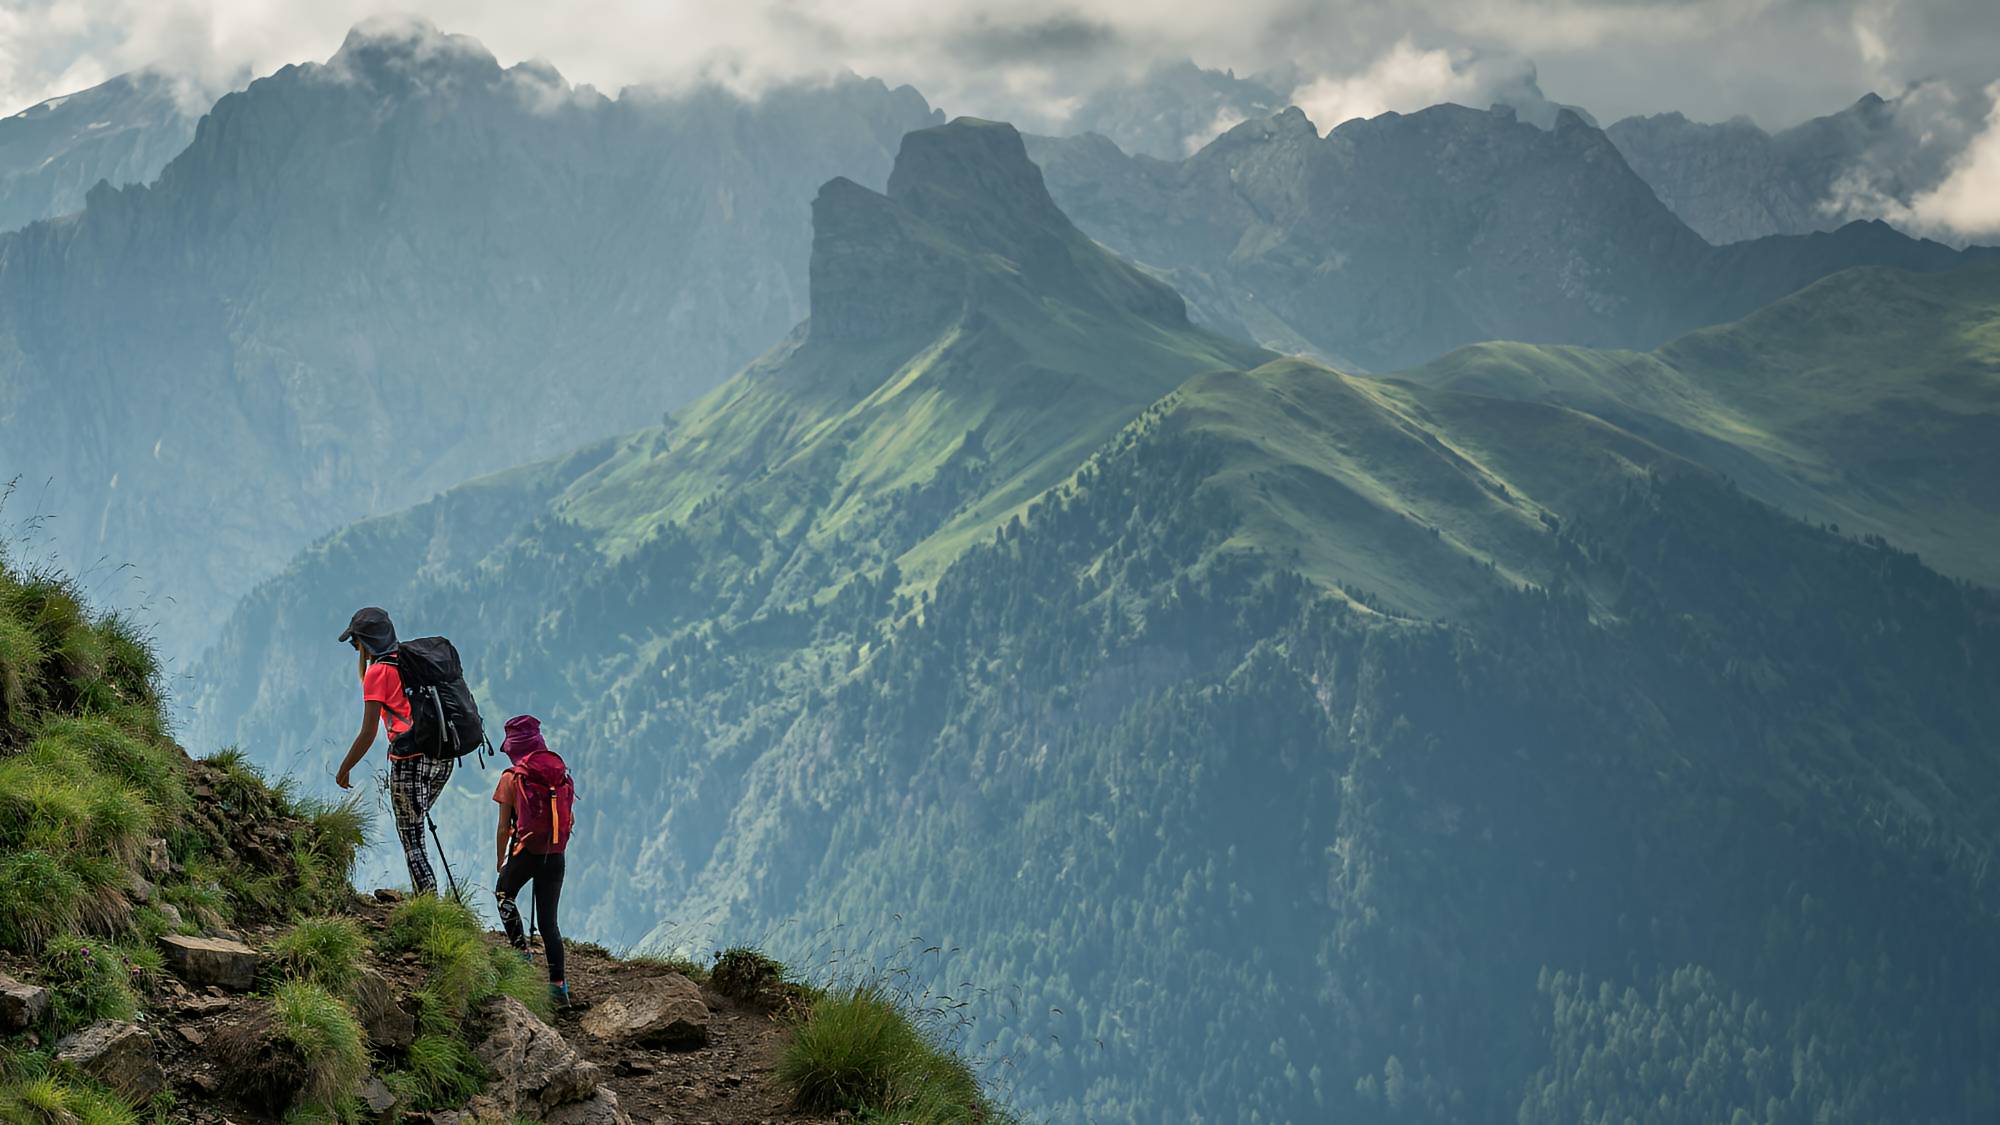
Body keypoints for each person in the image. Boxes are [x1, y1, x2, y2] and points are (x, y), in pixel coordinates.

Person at [333, 606, 454, 896]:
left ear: (366, 643)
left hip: (410, 760)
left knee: (411, 835)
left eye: (355, 643)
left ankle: (428, 906)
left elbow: (368, 732)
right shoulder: (413, 661)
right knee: (416, 825)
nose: (355, 648)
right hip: (443, 757)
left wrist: (344, 766)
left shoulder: (378, 673)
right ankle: (427, 899)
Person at [493, 714, 575, 1008]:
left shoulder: (511, 778)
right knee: (548, 922)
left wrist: (501, 859)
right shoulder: (561, 775)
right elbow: (570, 818)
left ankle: (521, 953)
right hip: (556, 854)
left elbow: (504, 827)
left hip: (527, 852)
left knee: (504, 894)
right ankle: (558, 988)